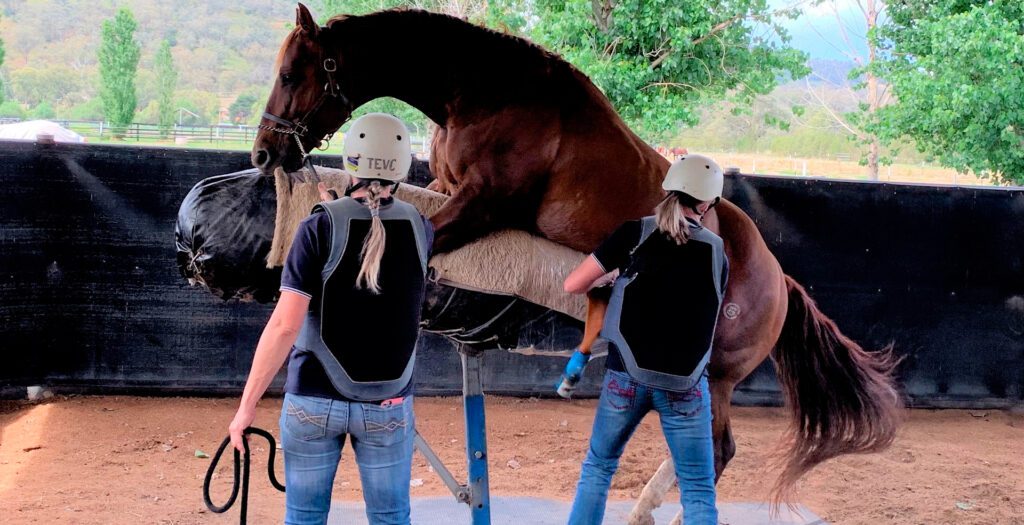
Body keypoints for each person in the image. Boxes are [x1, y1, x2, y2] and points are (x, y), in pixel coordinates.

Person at [227, 113, 432, 525]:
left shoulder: (318, 226)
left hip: (313, 404)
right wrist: (336, 204)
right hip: (387, 405)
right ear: (401, 165)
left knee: (304, 520)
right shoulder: (422, 228)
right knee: (392, 519)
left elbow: (285, 325)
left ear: (352, 160)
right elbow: (371, 227)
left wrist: (246, 408)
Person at [560, 154, 729, 525]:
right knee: (699, 492)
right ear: (706, 204)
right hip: (685, 386)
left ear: (668, 189)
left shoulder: (633, 233)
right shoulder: (717, 252)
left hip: (626, 378)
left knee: (598, 470)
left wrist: (612, 278)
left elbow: (573, 284)